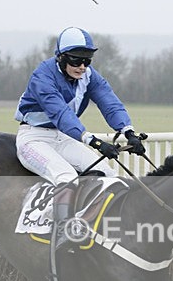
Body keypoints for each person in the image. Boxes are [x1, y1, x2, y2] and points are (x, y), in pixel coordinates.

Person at [14, 26, 146, 225]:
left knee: (108, 174)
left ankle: (96, 226)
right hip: (33, 138)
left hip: (61, 137)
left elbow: (109, 102)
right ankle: (62, 232)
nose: (82, 66)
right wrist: (93, 141)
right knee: (66, 177)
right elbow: (61, 114)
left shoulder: (89, 76)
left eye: (87, 60)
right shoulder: (42, 75)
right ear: (61, 57)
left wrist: (128, 132)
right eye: (76, 59)